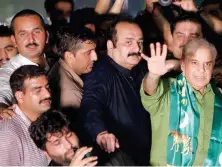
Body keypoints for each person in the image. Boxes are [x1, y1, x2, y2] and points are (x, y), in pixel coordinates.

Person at [140, 39, 222, 166]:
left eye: (207, 64)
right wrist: (153, 75)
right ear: (182, 65)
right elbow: (150, 92)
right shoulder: (169, 89)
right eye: (194, 63)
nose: (201, 70)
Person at [80, 17, 151, 165]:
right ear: (110, 46)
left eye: (140, 42)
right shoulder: (101, 74)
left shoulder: (140, 68)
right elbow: (90, 103)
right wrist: (101, 133)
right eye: (128, 42)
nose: (137, 49)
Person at [29, 110, 135, 166]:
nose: (69, 145)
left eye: (69, 135)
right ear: (45, 152)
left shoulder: (110, 154)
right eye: (57, 142)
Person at [0, 9, 50, 111]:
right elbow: (3, 89)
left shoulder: (55, 62)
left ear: (47, 36)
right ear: (14, 40)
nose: (31, 40)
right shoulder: (9, 70)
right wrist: (1, 107)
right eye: (23, 34)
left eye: (36, 32)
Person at [0, 65, 50, 166]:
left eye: (47, 87)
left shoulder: (46, 119)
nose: (48, 94)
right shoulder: (9, 134)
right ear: (20, 96)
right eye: (38, 90)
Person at [48, 25, 97, 126]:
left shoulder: (59, 66)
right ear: (69, 56)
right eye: (88, 53)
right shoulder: (71, 94)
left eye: (94, 51)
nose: (95, 57)